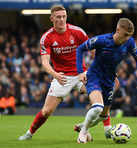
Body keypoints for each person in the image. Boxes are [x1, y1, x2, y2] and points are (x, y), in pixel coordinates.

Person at [18, 5, 95, 140]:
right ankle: (30, 133)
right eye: (58, 17)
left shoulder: (77, 32)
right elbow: (45, 63)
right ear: (51, 18)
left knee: (98, 98)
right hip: (62, 76)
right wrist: (55, 75)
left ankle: (90, 128)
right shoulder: (47, 37)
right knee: (47, 111)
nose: (61, 19)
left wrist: (102, 69)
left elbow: (93, 51)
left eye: (64, 16)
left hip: (81, 74)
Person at [75, 18, 137, 143]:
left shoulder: (130, 43)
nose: (127, 38)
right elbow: (80, 49)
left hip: (109, 80)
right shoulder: (102, 40)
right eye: (125, 35)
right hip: (94, 77)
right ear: (117, 30)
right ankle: (84, 132)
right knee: (97, 107)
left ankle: (82, 126)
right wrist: (80, 72)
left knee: (103, 116)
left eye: (129, 35)